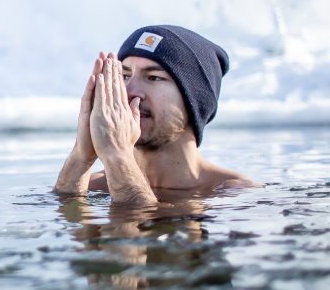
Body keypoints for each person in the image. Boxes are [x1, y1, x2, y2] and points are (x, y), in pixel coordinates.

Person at [55, 24, 257, 205]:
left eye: (153, 77)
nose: (129, 91)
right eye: (124, 76)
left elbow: (136, 241)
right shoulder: (89, 185)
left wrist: (118, 156)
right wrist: (81, 157)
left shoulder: (233, 194)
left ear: (193, 100)